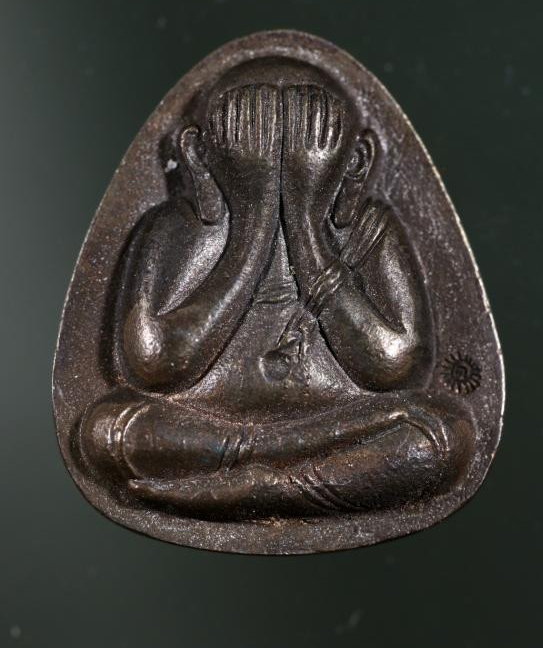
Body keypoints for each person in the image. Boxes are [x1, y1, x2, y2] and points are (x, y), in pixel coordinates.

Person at [80, 75, 473, 519]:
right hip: (217, 426)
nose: (279, 169)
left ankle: (260, 483)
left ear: (357, 161)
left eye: (302, 147)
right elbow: (154, 365)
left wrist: (305, 220)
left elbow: (395, 365)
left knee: (444, 437)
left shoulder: (370, 227)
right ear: (197, 154)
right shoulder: (173, 228)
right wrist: (255, 220)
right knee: (105, 431)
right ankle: (287, 475)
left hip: (337, 421)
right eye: (256, 144)